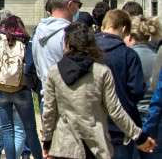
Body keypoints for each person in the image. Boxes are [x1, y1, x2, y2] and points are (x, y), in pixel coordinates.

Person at [43, 22, 156, 158]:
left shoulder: (54, 72)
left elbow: (49, 111)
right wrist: (139, 137)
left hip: (64, 145)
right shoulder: (101, 72)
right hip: (95, 145)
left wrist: (47, 141)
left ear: (67, 44)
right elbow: (115, 111)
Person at [0, 15, 43, 159]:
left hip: (1, 89)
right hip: (22, 90)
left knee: (7, 130)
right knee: (30, 129)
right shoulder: (26, 41)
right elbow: (31, 67)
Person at [96, 9, 146, 158]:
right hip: (120, 127)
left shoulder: (87, 51)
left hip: (92, 124)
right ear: (124, 29)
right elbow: (137, 90)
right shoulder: (129, 55)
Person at [32, 0, 81, 91]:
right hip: (68, 95)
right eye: (79, 5)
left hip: (47, 94)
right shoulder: (69, 34)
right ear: (70, 5)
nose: (79, 9)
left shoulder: (38, 32)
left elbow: (38, 69)